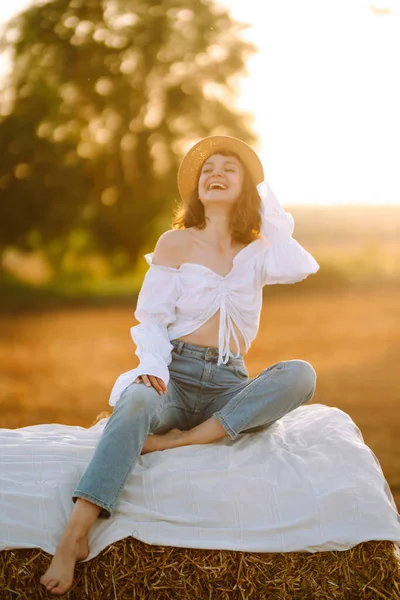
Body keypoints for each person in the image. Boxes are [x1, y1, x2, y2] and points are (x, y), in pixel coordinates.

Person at [40, 135, 320, 594]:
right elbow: (150, 319)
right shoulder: (175, 243)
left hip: (230, 383)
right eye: (208, 169)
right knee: (132, 406)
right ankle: (74, 537)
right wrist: (153, 367)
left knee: (301, 374)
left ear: (247, 185)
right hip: (176, 374)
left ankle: (181, 441)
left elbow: (299, 265)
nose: (216, 174)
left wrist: (265, 192)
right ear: (195, 189)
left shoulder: (260, 250)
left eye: (230, 168)